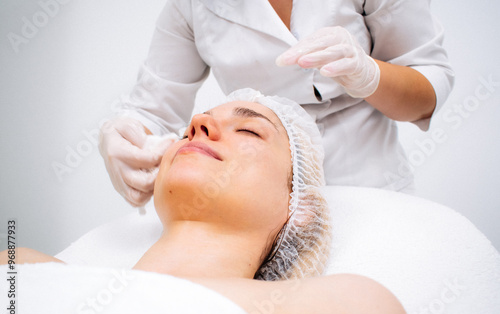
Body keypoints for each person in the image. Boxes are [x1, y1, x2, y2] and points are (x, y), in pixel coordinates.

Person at [1, 90, 415, 314]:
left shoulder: (343, 307)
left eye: (250, 129)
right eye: (188, 130)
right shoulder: (21, 267)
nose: (197, 123)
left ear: (299, 208)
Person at [99, 0, 455, 208]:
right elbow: (151, 111)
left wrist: (369, 75)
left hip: (371, 188)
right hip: (258, 206)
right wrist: (125, 137)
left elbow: (425, 93)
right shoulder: (190, 6)